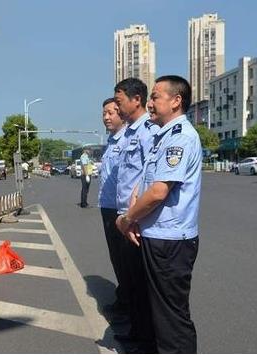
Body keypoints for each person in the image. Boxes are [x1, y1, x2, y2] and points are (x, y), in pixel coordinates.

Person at [116, 75, 201, 353]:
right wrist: (134, 211)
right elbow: (144, 184)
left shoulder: (180, 138)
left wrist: (128, 219)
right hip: (156, 235)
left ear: (176, 101)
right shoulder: (162, 135)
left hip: (171, 241)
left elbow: (158, 192)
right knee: (157, 312)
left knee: (171, 318)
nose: (150, 103)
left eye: (155, 97)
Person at [113, 77, 159, 352]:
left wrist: (133, 217)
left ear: (136, 99)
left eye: (119, 102)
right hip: (125, 217)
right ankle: (137, 331)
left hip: (137, 219)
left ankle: (145, 339)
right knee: (131, 280)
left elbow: (147, 180)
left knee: (141, 283)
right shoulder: (131, 132)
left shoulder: (147, 132)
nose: (117, 108)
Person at [97, 98, 129, 318]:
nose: (106, 117)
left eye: (111, 113)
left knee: (125, 261)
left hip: (121, 211)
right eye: (104, 114)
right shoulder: (111, 142)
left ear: (122, 113)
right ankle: (124, 299)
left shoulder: (128, 141)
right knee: (116, 258)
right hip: (108, 207)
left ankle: (129, 306)